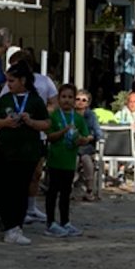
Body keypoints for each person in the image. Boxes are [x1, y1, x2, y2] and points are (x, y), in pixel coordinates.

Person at [0, 57, 50, 244]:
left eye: (12, 81)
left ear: (23, 80)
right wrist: (6, 123)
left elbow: (47, 123)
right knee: (6, 189)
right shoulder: (5, 99)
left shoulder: (35, 100)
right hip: (7, 150)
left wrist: (31, 122)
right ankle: (8, 225)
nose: (9, 84)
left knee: (21, 189)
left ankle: (18, 226)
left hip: (28, 151)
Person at [44, 83, 88, 237]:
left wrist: (83, 140)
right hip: (55, 160)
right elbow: (49, 136)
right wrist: (63, 131)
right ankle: (50, 222)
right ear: (58, 98)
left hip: (70, 161)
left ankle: (65, 221)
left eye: (70, 97)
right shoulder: (54, 116)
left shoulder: (78, 118)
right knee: (52, 192)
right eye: (64, 97)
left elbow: (86, 135)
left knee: (65, 193)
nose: (67, 100)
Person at [74, 89, 102, 201]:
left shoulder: (91, 115)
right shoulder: (69, 113)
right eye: (78, 99)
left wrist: (90, 137)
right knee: (74, 159)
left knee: (86, 159)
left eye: (84, 100)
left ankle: (90, 189)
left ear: (88, 103)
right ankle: (67, 188)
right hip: (72, 145)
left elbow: (98, 133)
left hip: (87, 146)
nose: (80, 102)